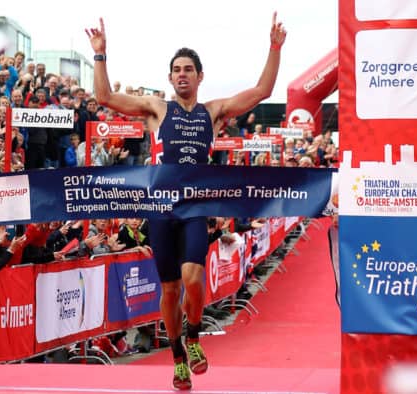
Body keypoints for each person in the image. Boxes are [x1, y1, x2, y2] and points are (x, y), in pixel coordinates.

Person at [86, 13, 286, 390]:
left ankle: (193, 336)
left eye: (188, 69)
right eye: (176, 70)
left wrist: (274, 48)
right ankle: (177, 355)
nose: (182, 74)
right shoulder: (157, 109)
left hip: (195, 208)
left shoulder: (213, 112)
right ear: (170, 77)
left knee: (193, 280)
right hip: (160, 210)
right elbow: (105, 97)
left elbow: (261, 91)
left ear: (199, 76)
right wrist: (100, 55)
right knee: (171, 290)